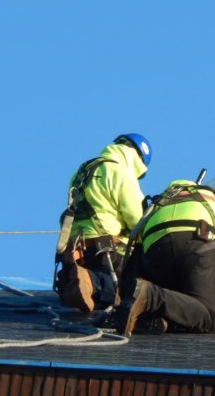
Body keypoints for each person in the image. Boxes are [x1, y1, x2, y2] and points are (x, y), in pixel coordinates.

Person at [115, 179, 215, 335]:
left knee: (181, 302)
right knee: (210, 318)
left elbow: (136, 248)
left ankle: (159, 315)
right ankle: (150, 296)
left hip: (155, 253)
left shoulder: (159, 202)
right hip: (197, 246)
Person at [54, 133, 152, 312]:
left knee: (97, 302)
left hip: (77, 251)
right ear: (138, 159)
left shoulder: (83, 171)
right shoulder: (120, 173)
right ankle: (91, 281)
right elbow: (137, 221)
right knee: (131, 293)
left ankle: (82, 282)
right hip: (108, 251)